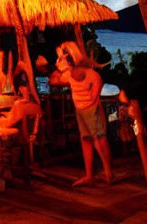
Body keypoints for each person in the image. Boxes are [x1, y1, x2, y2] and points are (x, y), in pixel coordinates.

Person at [57, 41, 112, 186]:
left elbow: (94, 98)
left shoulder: (93, 76)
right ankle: (89, 175)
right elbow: (56, 78)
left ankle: (108, 173)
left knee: (98, 139)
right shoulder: (70, 74)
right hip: (80, 110)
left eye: (65, 57)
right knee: (86, 140)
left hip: (92, 110)